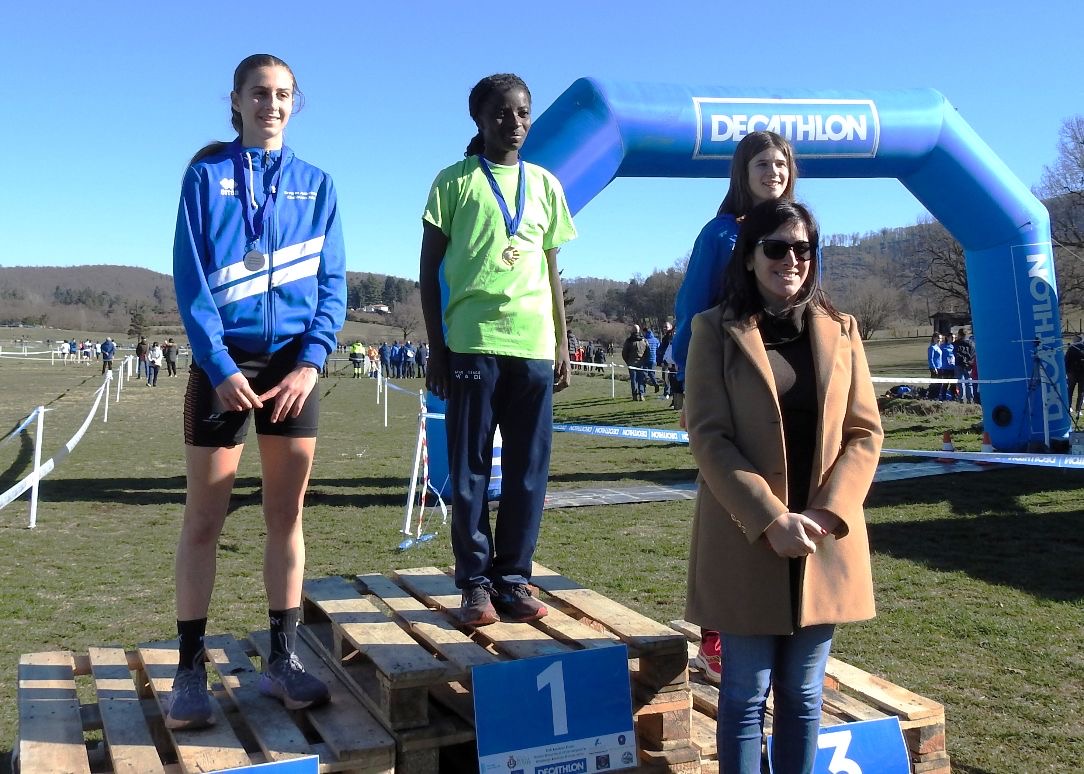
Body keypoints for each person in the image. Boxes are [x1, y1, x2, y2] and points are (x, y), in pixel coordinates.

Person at [168, 53, 346, 729]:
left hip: (292, 371)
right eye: (259, 93)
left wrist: (309, 364)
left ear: (293, 104)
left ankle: (283, 659)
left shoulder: (318, 184)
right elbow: (190, 279)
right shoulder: (204, 177)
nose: (271, 104)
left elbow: (333, 286)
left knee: (284, 518)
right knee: (205, 520)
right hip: (224, 370)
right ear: (236, 101)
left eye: (283, 95)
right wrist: (217, 364)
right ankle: (190, 671)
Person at [684, 200, 882, 774]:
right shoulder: (713, 330)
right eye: (776, 247)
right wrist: (771, 518)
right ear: (749, 257)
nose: (791, 259)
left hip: (824, 542)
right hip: (747, 538)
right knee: (745, 698)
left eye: (803, 249)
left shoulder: (843, 331)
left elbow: (865, 432)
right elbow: (709, 436)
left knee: (803, 697)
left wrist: (827, 513)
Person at [419, 72, 575, 627]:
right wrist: (437, 349)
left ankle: (514, 578)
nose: (515, 123)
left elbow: (553, 272)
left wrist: (561, 341)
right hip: (470, 347)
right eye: (503, 113)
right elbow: (427, 270)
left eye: (524, 113)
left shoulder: (547, 185)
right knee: (470, 472)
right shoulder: (453, 183)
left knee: (530, 472)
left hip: (532, 347)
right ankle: (476, 583)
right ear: (479, 119)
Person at [673, 130, 799, 684]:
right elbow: (690, 310)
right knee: (731, 508)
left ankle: (789, 633)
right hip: (728, 384)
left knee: (787, 501)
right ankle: (715, 644)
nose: (773, 172)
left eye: (781, 164)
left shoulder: (797, 231)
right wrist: (689, 387)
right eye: (762, 164)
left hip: (789, 389)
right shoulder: (722, 235)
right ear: (742, 172)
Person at [622, 324, 648, 401]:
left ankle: (635, 395)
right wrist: (644, 360)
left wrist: (628, 361)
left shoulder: (629, 341)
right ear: (639, 330)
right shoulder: (644, 340)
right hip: (641, 362)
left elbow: (624, 353)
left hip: (631, 362)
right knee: (641, 379)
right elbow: (648, 352)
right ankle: (641, 394)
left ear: (632, 331)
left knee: (633, 380)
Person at [953, 329, 976, 404]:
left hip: (959, 364)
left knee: (961, 382)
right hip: (968, 365)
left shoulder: (956, 343)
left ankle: (961, 399)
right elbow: (974, 355)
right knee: (969, 382)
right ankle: (970, 399)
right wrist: (969, 362)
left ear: (959, 334)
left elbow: (955, 353)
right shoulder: (971, 343)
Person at [1066, 334, 1084, 417]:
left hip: (1080, 373)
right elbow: (1066, 361)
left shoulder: (1076, 348)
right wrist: (1067, 372)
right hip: (1072, 373)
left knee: (1080, 392)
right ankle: (1070, 407)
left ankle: (1078, 409)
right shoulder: (1071, 348)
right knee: (1071, 391)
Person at [926, 333, 943, 400]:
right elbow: (930, 358)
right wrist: (934, 368)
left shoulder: (938, 347)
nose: (939, 340)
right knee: (935, 383)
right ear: (934, 338)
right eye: (938, 338)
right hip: (934, 368)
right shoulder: (932, 347)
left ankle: (937, 396)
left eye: (941, 338)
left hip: (940, 367)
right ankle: (932, 397)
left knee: (939, 384)